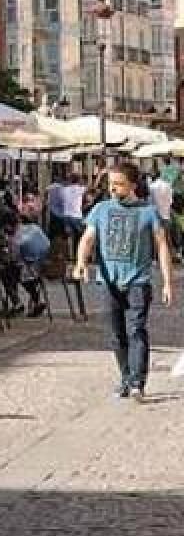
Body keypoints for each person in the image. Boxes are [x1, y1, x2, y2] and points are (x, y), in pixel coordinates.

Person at [74, 162, 174, 402]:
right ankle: (125, 378)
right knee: (115, 334)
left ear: (132, 184)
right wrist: (81, 263)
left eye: (118, 184)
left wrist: (168, 282)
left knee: (136, 330)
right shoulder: (101, 209)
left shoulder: (148, 212)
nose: (113, 189)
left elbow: (161, 246)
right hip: (108, 282)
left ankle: (138, 382)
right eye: (111, 184)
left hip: (138, 281)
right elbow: (87, 239)